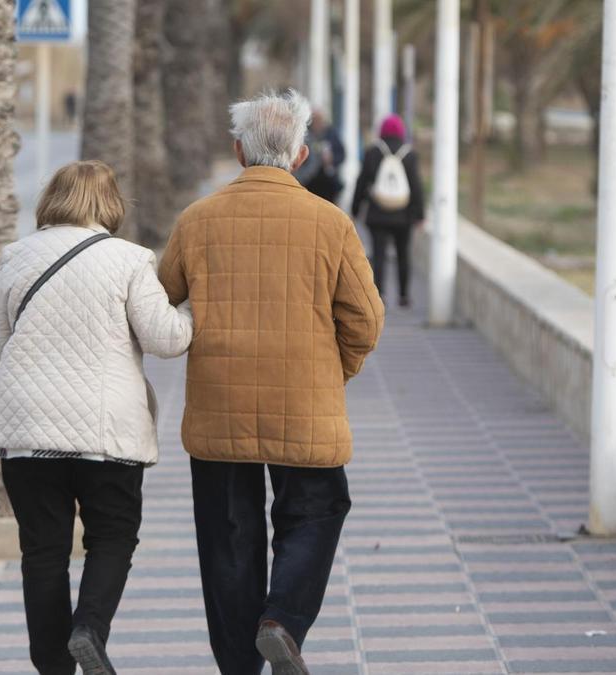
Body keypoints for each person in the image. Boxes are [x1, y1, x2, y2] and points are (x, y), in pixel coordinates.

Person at [158, 90, 384, 675]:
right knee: (315, 510)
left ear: (237, 151)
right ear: (302, 154)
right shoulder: (330, 223)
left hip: (218, 408)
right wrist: (336, 373)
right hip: (307, 404)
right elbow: (366, 318)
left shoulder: (197, 220)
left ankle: (238, 665)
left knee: (228, 538)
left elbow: (160, 303)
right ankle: (281, 619)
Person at [0, 161, 193, 675]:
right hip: (106, 432)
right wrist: (191, 310)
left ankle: (52, 666)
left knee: (43, 552)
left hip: (26, 430)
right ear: (112, 205)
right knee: (112, 536)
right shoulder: (130, 260)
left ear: (52, 199)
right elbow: (167, 339)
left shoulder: (17, 257)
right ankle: (89, 629)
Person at [351, 113, 425, 308]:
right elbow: (416, 187)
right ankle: (403, 295)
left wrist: (356, 208)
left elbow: (362, 182)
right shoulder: (410, 154)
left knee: (379, 255)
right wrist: (420, 214)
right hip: (404, 215)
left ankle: (379, 294)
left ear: (381, 132)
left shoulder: (372, 152)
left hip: (378, 214)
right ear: (401, 132)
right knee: (403, 255)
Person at [294, 109, 345, 204]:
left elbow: (341, 154)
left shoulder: (331, 133)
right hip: (310, 180)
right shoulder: (305, 134)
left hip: (328, 180)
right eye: (315, 120)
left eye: (320, 120)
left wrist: (332, 159)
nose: (318, 123)